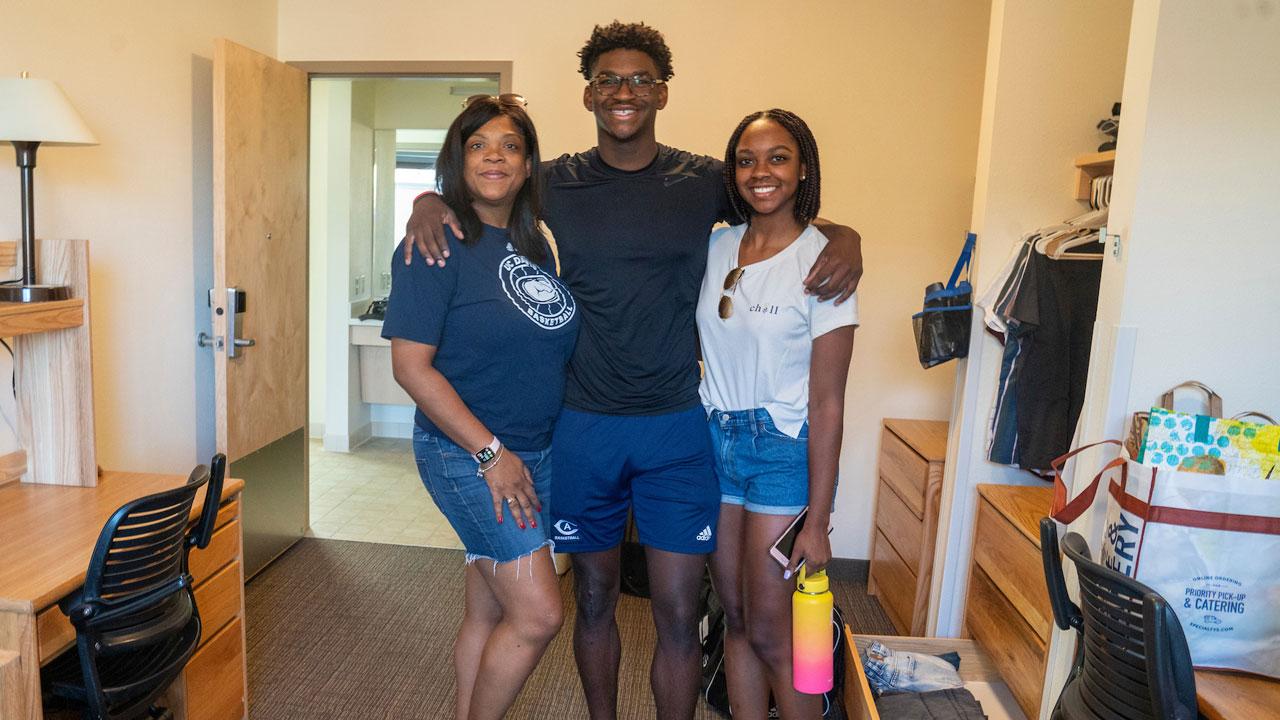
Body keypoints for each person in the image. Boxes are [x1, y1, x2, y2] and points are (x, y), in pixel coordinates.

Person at [404, 23, 864, 720]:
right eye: (609, 80)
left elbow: (779, 205)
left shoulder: (704, 180)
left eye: (640, 80)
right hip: (583, 426)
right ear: (589, 93)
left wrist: (848, 238)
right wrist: (425, 202)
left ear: (663, 93)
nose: (624, 92)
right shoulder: (553, 180)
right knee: (591, 601)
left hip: (677, 430)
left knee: (679, 611)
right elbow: (484, 192)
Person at [382, 95, 579, 720]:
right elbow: (410, 367)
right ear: (458, 161)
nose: (494, 156)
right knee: (540, 613)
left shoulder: (536, 245)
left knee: (488, 609)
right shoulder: (433, 245)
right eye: (477, 145)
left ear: (527, 168)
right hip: (469, 454)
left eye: (510, 146)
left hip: (535, 450)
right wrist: (492, 455)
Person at [699, 109, 857, 719]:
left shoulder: (825, 261)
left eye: (778, 157)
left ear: (803, 167)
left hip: (781, 449)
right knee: (734, 619)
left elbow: (829, 401)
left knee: (772, 631)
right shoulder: (715, 247)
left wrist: (818, 519)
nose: (761, 172)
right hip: (716, 443)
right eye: (747, 159)